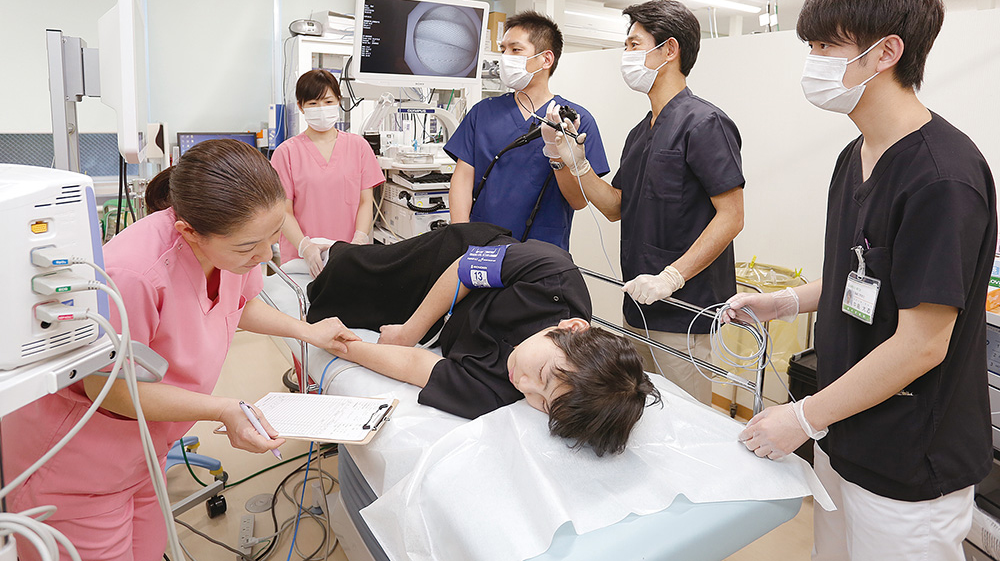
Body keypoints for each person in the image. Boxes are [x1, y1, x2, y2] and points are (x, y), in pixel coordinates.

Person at [723, 0, 997, 561]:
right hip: (845, 430)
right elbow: (861, 274)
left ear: (886, 53)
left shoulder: (942, 178)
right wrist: (784, 302)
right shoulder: (856, 156)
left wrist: (801, 417)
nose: (813, 61)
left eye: (826, 45)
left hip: (909, 458)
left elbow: (923, 344)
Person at [2, 139, 359, 561]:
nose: (265, 256)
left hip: (146, 453)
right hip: (76, 461)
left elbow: (239, 304)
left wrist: (309, 332)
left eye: (273, 237)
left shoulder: (228, 254)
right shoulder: (134, 275)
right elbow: (112, 389)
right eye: (249, 247)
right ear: (189, 231)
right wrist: (222, 409)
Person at [306, 222, 660, 456]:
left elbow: (416, 364)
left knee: (330, 312)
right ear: (571, 329)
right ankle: (329, 249)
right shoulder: (551, 275)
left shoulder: (497, 396)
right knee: (354, 270)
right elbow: (464, 269)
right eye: (542, 375)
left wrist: (344, 346)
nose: (523, 385)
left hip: (452, 326)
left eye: (542, 401)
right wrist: (408, 332)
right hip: (451, 267)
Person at [546, 0, 745, 404]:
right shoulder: (642, 132)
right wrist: (576, 163)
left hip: (686, 312)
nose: (627, 55)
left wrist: (671, 277)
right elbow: (617, 206)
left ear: (669, 50)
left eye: (634, 45)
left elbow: (732, 216)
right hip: (638, 306)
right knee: (640, 412)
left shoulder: (705, 123)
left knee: (686, 423)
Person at [446, 11, 610, 250]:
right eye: (503, 50)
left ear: (546, 59)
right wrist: (460, 239)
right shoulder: (483, 112)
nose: (505, 58)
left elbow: (577, 201)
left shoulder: (576, 121)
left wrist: (557, 154)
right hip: (481, 244)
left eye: (515, 50)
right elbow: (461, 179)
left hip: (543, 249)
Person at [271, 68, 385, 276]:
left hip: (349, 255)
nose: (321, 108)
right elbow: (283, 211)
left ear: (339, 101)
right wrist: (305, 247)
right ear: (301, 106)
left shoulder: (358, 146)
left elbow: (365, 202)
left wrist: (358, 241)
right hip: (301, 261)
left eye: (328, 101)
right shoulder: (285, 153)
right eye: (313, 104)